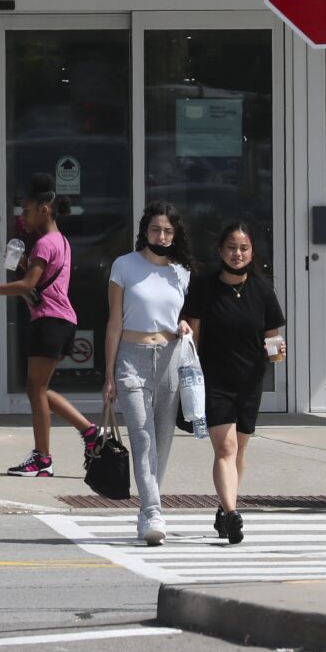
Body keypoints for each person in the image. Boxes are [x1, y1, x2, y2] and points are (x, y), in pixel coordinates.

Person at [0, 173, 103, 478]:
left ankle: (43, 459)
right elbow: (39, 280)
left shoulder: (43, 244)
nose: (22, 217)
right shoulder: (59, 241)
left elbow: (26, 286)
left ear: (43, 209)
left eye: (25, 211)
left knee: (36, 389)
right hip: (61, 321)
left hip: (49, 321)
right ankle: (89, 433)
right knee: (38, 388)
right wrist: (24, 262)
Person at [181, 220, 285, 545]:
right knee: (225, 448)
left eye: (243, 248)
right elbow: (194, 337)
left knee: (239, 450)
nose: (237, 253)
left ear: (252, 252)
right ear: (220, 251)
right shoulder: (204, 287)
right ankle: (231, 514)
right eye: (231, 247)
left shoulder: (263, 290)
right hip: (215, 380)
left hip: (250, 381)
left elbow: (272, 341)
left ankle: (226, 505)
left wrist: (277, 352)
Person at [102, 201, 192, 546]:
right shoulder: (124, 266)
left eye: (168, 230)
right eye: (156, 229)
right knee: (142, 439)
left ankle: (146, 513)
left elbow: (185, 314)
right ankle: (154, 512)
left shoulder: (181, 271)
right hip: (130, 357)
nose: (162, 235)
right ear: (145, 230)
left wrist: (183, 323)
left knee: (163, 442)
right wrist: (109, 375)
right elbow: (113, 322)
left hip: (169, 356)